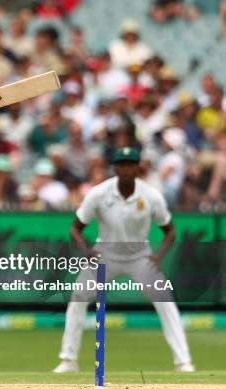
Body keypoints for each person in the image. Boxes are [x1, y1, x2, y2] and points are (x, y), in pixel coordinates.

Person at [53, 147, 194, 373]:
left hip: (140, 258)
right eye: (122, 164)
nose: (127, 169)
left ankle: (183, 361)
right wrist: (87, 250)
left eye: (131, 164)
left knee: (166, 302)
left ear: (139, 168)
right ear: (115, 168)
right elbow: (75, 229)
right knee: (78, 297)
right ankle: (68, 360)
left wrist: (158, 256)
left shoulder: (152, 195)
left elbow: (170, 232)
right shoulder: (98, 193)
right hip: (104, 255)